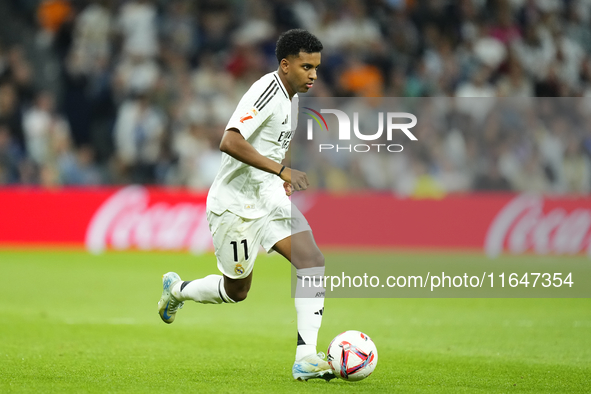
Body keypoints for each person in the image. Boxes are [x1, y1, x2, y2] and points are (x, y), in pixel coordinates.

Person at [157, 29, 333, 381]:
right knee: (236, 291)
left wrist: (276, 177)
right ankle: (177, 290)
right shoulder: (266, 91)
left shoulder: (293, 97)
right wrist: (281, 168)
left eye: (316, 67)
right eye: (306, 67)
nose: (313, 75)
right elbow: (229, 140)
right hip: (234, 206)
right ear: (285, 65)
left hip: (267, 197)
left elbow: (267, 148)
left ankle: (306, 358)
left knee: (312, 260)